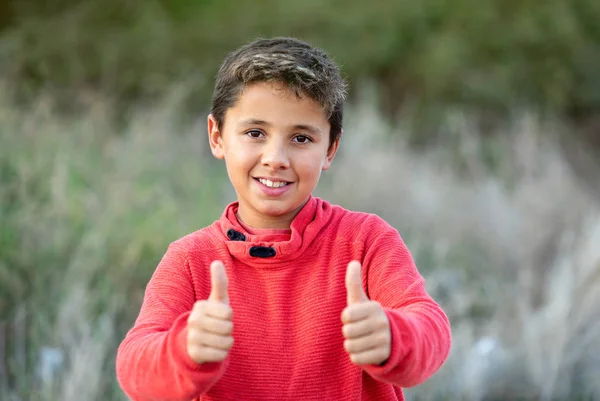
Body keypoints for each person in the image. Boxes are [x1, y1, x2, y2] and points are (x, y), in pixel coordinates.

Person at [116, 36, 452, 401]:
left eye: (301, 138)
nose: (275, 157)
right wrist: (184, 350)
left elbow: (430, 326)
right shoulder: (190, 260)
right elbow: (135, 367)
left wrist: (393, 336)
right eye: (255, 133)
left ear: (330, 149)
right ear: (217, 137)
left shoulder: (366, 241)